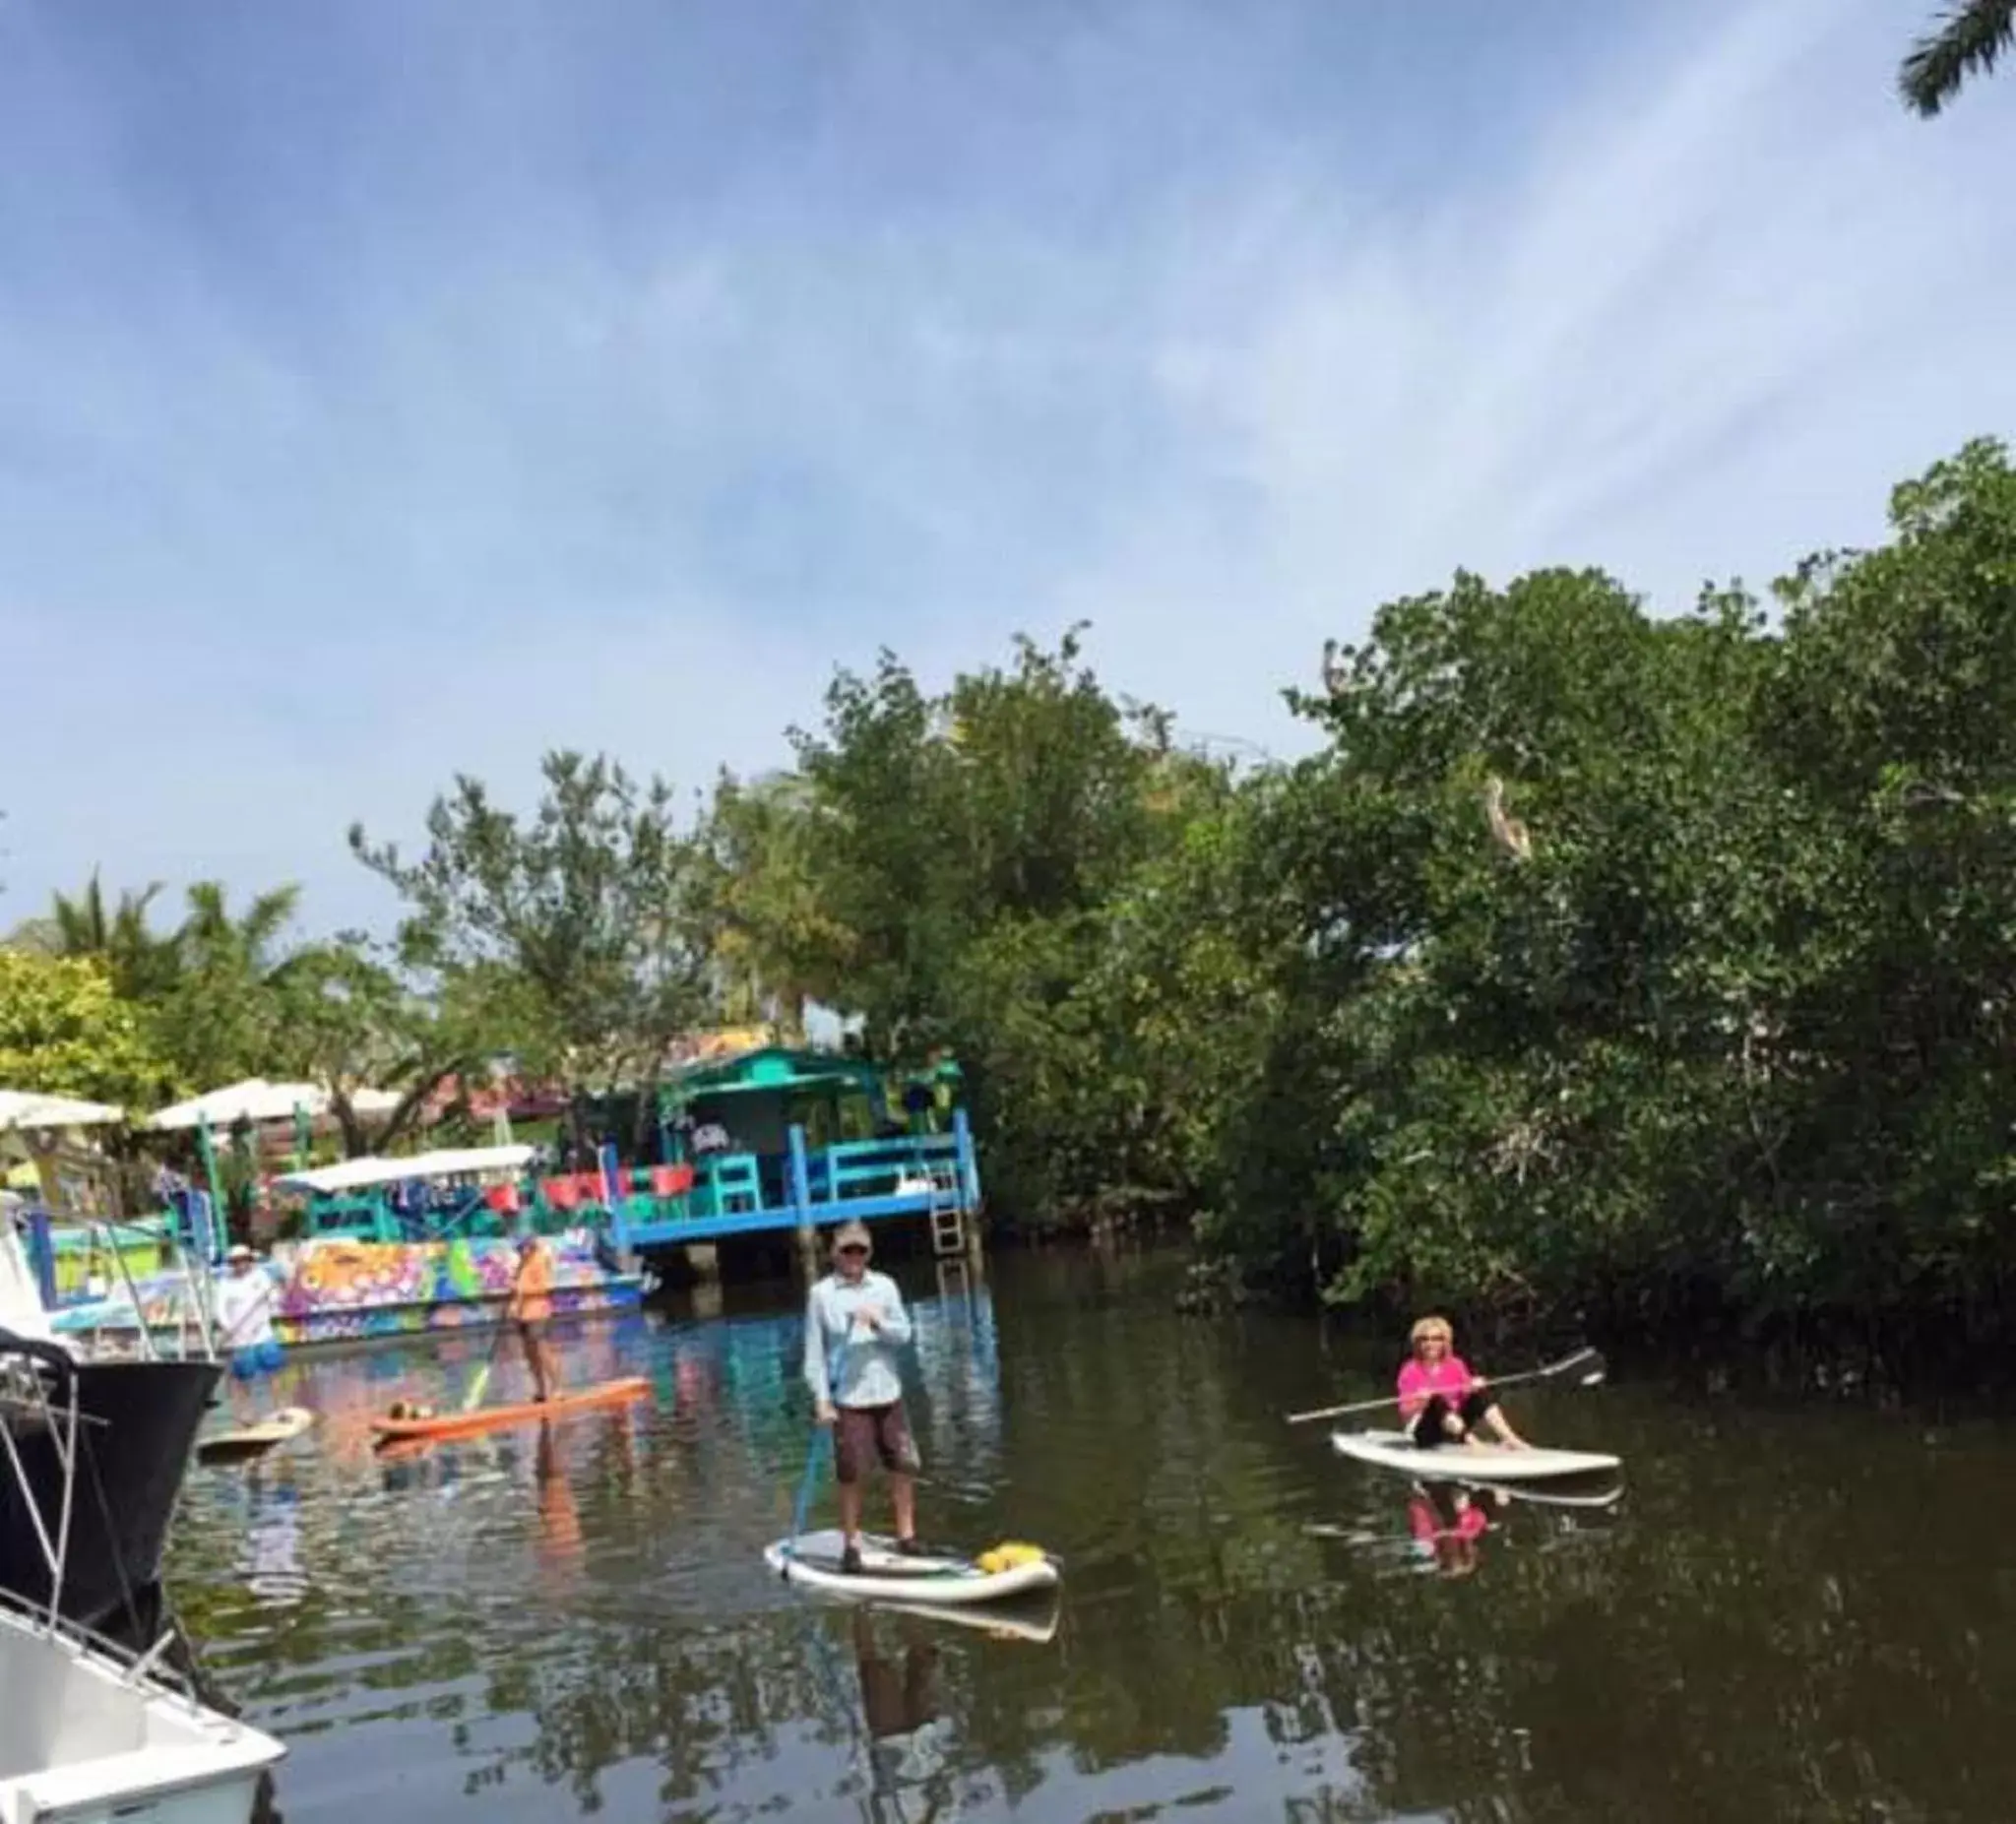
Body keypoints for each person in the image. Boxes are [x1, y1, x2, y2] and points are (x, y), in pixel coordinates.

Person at [804, 1220, 920, 1574]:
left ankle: (907, 1536)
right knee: (852, 1472)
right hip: (849, 1399)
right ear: (835, 1253)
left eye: (861, 1250)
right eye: (847, 1250)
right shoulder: (821, 1295)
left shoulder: (885, 1286)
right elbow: (814, 1354)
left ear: (868, 1252)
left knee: (903, 1465)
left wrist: (879, 1323)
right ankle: (851, 1544)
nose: (854, 1256)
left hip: (888, 1391)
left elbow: (904, 1335)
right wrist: (822, 1400)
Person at [1397, 1313, 1530, 1451]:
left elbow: (1466, 1393)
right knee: (1436, 1400)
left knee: (1480, 1394)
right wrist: (1420, 1402)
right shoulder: (1410, 1370)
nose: (1430, 1344)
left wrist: (1473, 1386)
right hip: (1426, 1431)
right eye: (1424, 1339)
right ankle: (1474, 1444)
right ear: (1418, 1343)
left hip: (1454, 1425)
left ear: (1445, 1342)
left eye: (1437, 1339)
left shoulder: (1456, 1364)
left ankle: (1510, 1439)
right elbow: (1404, 1411)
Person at [214, 1244, 284, 1418]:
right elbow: (220, 1309)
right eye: (236, 1262)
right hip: (241, 1337)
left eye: (244, 1261)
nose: (241, 1265)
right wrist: (228, 1327)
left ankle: (279, 1409)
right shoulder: (226, 1283)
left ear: (249, 1261)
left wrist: (273, 1296)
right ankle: (247, 1413)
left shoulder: (261, 1276)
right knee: (244, 1378)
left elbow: (274, 1298)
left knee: (273, 1372)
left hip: (262, 1332)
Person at [507, 1228, 561, 1403]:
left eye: (523, 1247)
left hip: (538, 1311)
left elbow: (544, 1287)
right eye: (519, 1248)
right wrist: (514, 1302)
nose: (521, 1251)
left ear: (531, 1245)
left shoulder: (540, 1260)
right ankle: (540, 1390)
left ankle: (558, 1388)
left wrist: (521, 1290)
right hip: (523, 1315)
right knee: (529, 1353)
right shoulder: (521, 1263)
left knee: (542, 1350)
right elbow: (516, 1288)